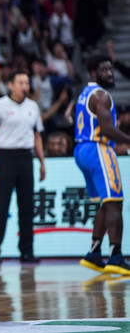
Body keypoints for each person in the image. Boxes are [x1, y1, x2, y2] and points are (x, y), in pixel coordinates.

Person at [0, 70, 45, 264]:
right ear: (11, 85)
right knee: (0, 206)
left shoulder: (33, 107)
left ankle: (27, 251)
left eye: (27, 82)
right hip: (5, 157)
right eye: (21, 83)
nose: (25, 86)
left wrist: (42, 162)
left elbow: (37, 135)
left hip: (26, 157)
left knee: (27, 206)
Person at [76, 55, 130, 275]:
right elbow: (107, 130)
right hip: (98, 148)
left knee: (105, 203)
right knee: (115, 202)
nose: (110, 74)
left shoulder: (84, 93)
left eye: (111, 70)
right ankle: (116, 256)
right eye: (104, 70)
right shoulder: (101, 95)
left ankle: (94, 253)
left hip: (81, 149)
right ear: (93, 73)